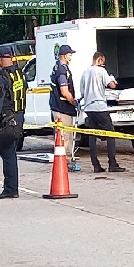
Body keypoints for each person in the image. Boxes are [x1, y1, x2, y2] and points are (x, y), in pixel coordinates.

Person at [0, 46, 26, 199]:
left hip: (7, 120)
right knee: (11, 153)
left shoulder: (1, 77)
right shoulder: (18, 73)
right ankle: (11, 187)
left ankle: (11, 189)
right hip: (19, 118)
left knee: (8, 155)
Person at [80, 52, 125, 173]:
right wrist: (112, 79)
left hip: (89, 107)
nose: (103, 64)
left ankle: (95, 164)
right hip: (100, 106)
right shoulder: (101, 71)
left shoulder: (85, 72)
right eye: (103, 62)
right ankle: (112, 163)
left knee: (92, 136)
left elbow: (82, 92)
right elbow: (112, 85)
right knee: (111, 133)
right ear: (99, 60)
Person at [50, 44, 81, 172]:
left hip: (59, 107)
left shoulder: (58, 67)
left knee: (62, 136)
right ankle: (65, 162)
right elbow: (64, 91)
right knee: (65, 137)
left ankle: (64, 162)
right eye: (69, 54)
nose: (71, 56)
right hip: (62, 108)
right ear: (64, 55)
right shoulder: (62, 70)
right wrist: (73, 102)